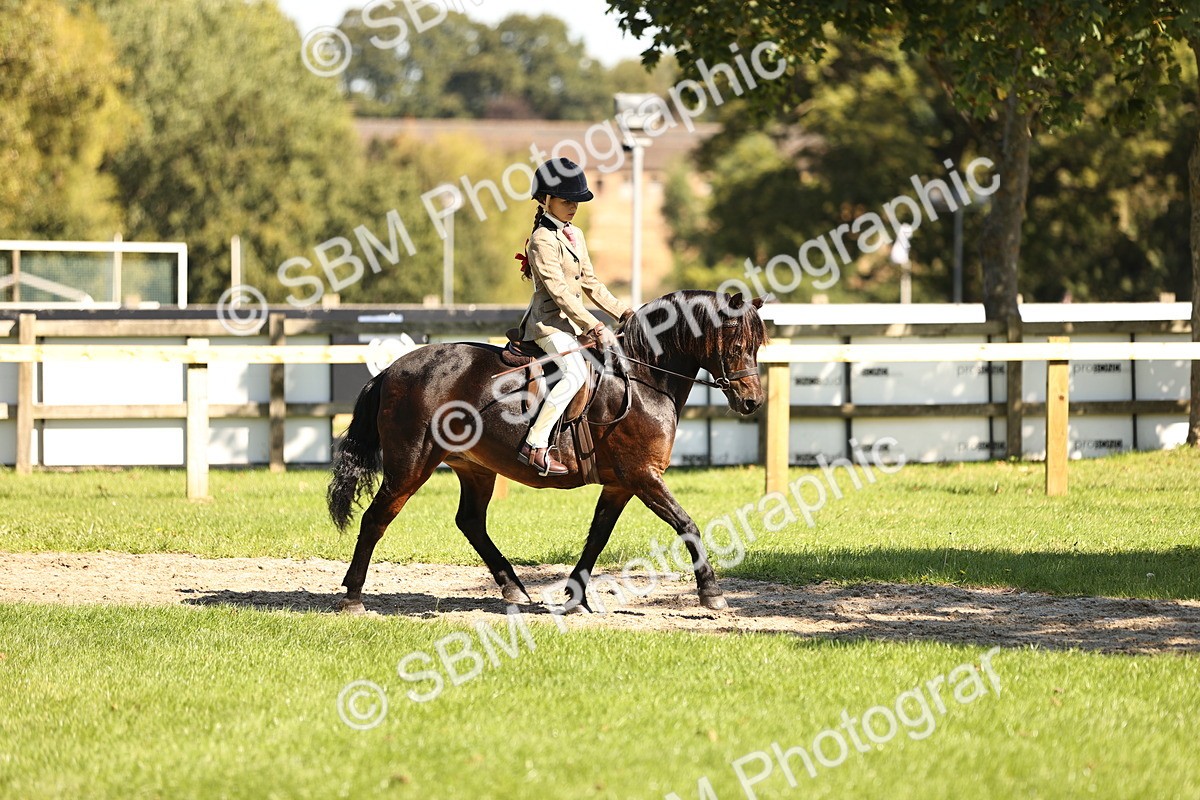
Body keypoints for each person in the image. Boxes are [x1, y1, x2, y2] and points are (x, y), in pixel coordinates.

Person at [513, 157, 632, 475]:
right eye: (566, 201)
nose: (573, 207)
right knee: (576, 372)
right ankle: (534, 444)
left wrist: (625, 312)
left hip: (570, 325)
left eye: (576, 201)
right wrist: (593, 325)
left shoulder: (575, 235)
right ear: (545, 200)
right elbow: (560, 293)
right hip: (547, 326)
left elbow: (591, 283)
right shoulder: (541, 240)